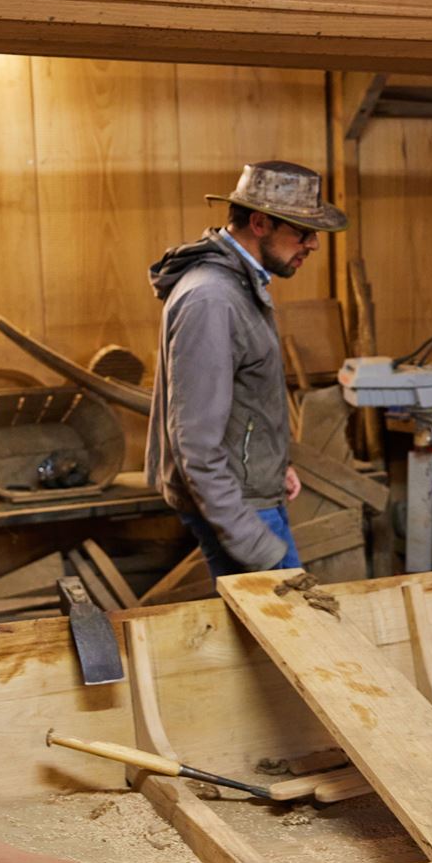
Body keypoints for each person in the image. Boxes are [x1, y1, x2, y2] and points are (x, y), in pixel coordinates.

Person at [146, 161, 349, 578]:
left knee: (275, 629)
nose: (312, 244)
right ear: (259, 223)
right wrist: (248, 537)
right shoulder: (212, 299)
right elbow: (196, 445)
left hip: (252, 495)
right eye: (301, 232)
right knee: (286, 627)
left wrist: (272, 467)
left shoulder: (238, 286)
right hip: (240, 507)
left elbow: (244, 398)